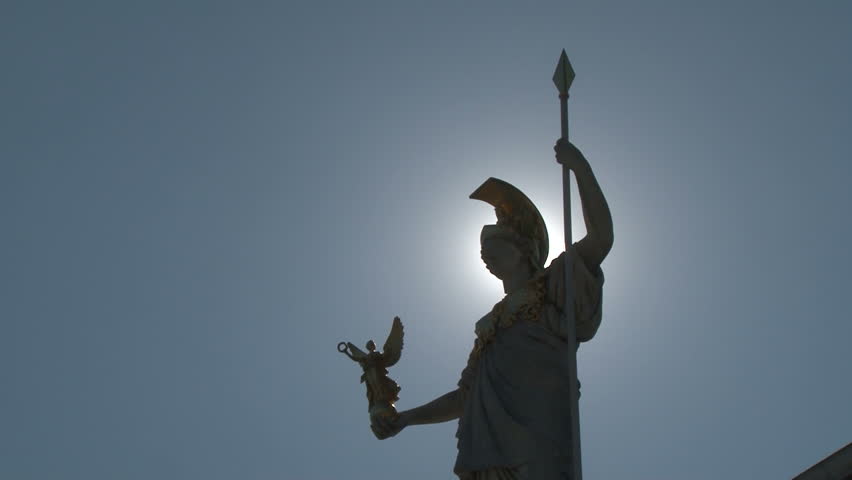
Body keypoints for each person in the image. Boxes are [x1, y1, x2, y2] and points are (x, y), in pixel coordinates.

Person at [371, 139, 613, 479]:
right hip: (486, 453)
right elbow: (466, 396)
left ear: (525, 249)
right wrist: (406, 418)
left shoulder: (554, 285)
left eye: (494, 243)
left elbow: (601, 237)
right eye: (482, 248)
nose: (484, 254)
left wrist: (580, 168)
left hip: (540, 439)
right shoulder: (489, 326)